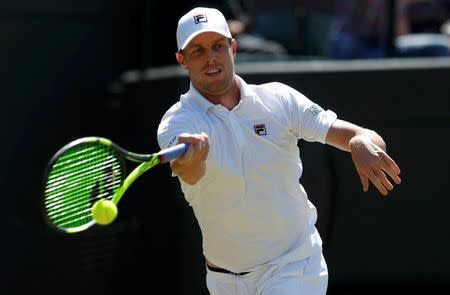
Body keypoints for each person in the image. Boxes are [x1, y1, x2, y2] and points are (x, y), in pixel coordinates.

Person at [157, 7, 402, 295]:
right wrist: (192, 160)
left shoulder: (279, 99)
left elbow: (361, 136)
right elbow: (188, 171)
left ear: (232, 48)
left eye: (218, 46)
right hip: (223, 280)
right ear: (182, 60)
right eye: (197, 50)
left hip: (294, 267)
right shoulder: (177, 122)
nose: (211, 57)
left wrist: (359, 142)